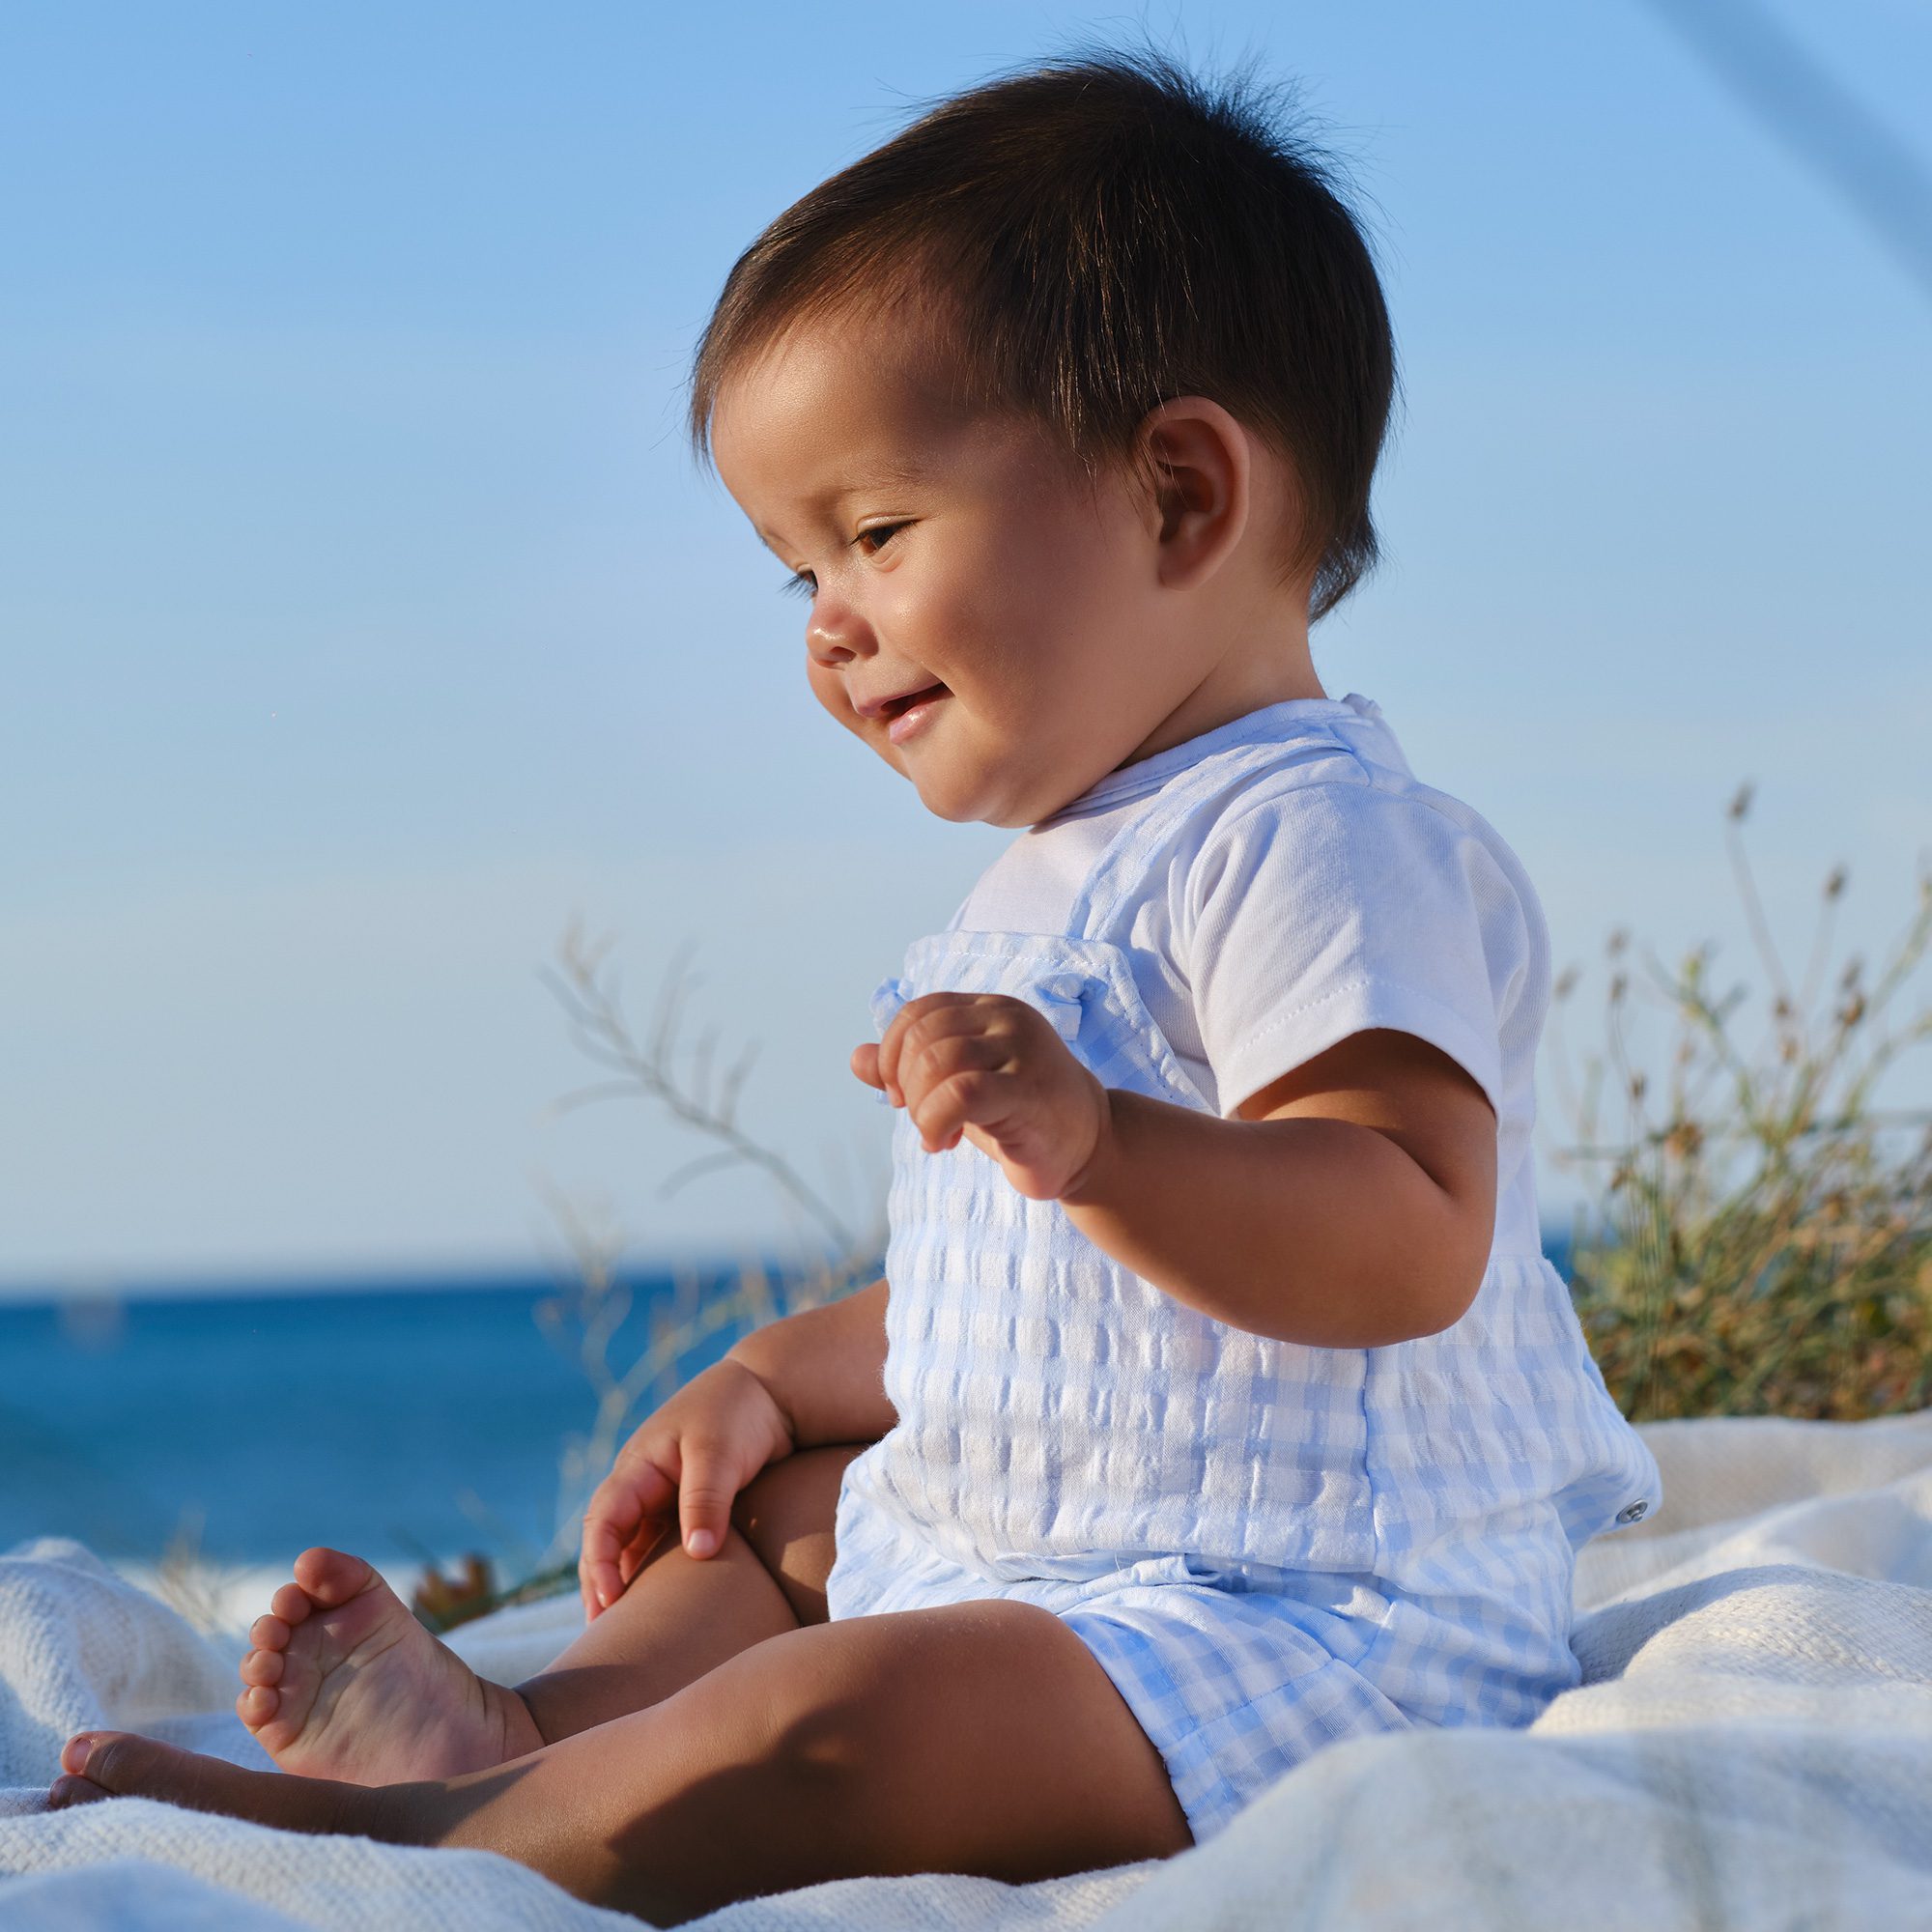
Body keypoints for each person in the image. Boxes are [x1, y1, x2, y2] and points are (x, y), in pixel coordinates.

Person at [44, 44, 1661, 1924]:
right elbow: (1029, 1307)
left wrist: (1103, 1142)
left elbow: (1407, 1227)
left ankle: (427, 1845)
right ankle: (524, 1725)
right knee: (771, 1531)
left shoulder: (1322, 836)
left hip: (1302, 1616)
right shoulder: (1054, 877)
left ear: (1178, 496)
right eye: (793, 569)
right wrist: (769, 1373)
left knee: (857, 1706)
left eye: (875, 534)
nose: (828, 624)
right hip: (1078, 1567)